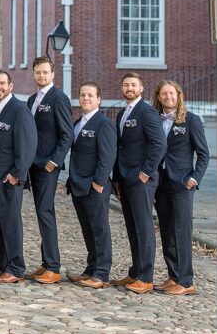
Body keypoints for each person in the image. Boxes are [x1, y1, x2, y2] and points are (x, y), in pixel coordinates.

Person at [0, 70, 36, 284]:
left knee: (11, 224)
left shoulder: (19, 110)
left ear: (10, 86)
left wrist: (16, 175)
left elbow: (28, 145)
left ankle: (15, 267)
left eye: (2, 83)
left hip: (8, 180)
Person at [152, 79, 209, 296]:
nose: (168, 97)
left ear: (178, 96)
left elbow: (203, 154)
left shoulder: (191, 120)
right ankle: (173, 275)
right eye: (164, 94)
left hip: (182, 184)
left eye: (172, 94)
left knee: (182, 232)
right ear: (158, 97)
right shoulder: (155, 120)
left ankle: (186, 282)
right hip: (160, 183)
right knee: (167, 231)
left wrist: (194, 179)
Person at [111, 71, 167, 293]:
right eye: (126, 85)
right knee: (133, 227)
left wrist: (146, 171)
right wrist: (116, 178)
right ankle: (135, 272)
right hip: (125, 178)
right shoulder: (121, 114)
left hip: (141, 179)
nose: (129, 88)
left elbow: (159, 144)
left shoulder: (147, 112)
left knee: (144, 227)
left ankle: (146, 277)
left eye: (133, 85)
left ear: (141, 88)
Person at [24, 55, 73, 284]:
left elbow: (67, 134)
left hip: (47, 166)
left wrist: (55, 161)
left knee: (46, 212)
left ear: (53, 74)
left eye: (45, 72)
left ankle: (53, 267)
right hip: (32, 165)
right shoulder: (32, 99)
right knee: (41, 212)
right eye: (38, 72)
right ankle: (45, 263)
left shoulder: (59, 98)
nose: (41, 75)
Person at [66, 82, 117, 289]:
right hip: (78, 185)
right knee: (87, 229)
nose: (85, 98)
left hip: (94, 187)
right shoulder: (78, 122)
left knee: (99, 229)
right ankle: (91, 268)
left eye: (90, 95)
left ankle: (102, 273)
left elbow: (107, 156)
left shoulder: (103, 123)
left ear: (99, 99)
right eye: (82, 94)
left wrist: (99, 183)